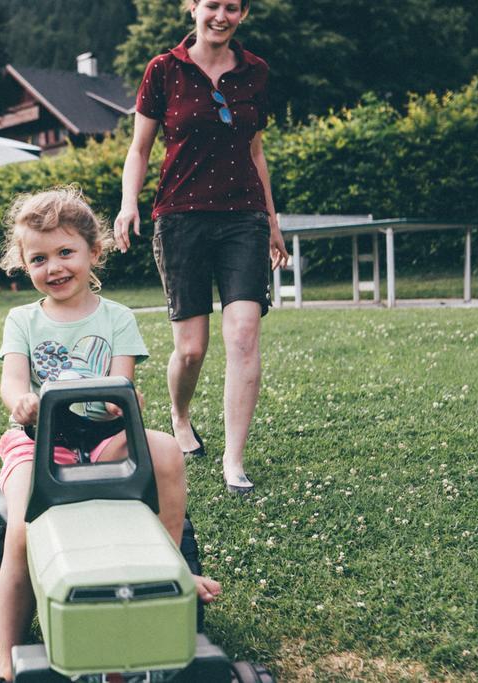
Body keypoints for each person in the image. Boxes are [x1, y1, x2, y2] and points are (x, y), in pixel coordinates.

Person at [0, 187, 221, 683]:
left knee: (168, 449)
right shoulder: (22, 320)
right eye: (40, 258)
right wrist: (20, 400)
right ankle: (7, 657)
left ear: (93, 251)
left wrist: (117, 402)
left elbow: (120, 384)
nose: (55, 267)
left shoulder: (117, 318)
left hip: (108, 434)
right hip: (40, 437)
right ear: (24, 264)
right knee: (22, 526)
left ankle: (172, 568)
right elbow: (13, 381)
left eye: (66, 252)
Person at [113, 0, 289, 495]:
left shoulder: (256, 72)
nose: (221, 15)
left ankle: (234, 461)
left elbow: (255, 150)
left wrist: (272, 222)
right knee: (191, 349)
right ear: (192, 8)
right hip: (180, 217)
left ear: (242, 14)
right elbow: (139, 149)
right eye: (212, 4)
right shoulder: (163, 70)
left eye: (232, 8)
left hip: (243, 218)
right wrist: (129, 204)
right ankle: (181, 414)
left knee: (243, 334)